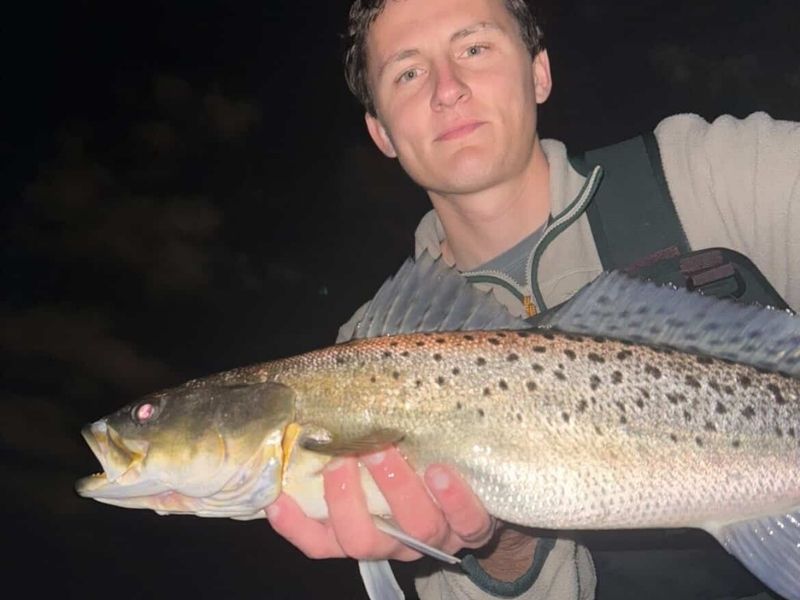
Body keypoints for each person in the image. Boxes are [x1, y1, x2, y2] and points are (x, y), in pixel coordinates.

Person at [266, 0, 800, 598]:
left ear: (539, 73)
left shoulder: (715, 174)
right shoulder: (361, 352)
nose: (448, 89)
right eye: (408, 72)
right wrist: (496, 543)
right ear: (382, 132)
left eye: (474, 48)